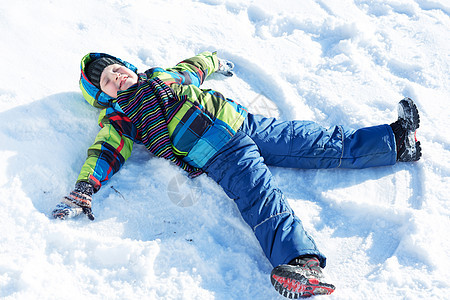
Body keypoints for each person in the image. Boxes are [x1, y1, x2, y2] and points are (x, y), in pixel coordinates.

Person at [52, 51, 421, 298]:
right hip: (221, 154)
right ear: (103, 97)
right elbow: (106, 151)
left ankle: (397, 141)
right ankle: (302, 266)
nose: (115, 77)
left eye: (115, 69)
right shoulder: (120, 116)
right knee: (262, 201)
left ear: (128, 65)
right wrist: (85, 186)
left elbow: (195, 67)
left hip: (246, 122)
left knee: (318, 141)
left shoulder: (163, 75)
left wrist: (215, 61)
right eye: (106, 82)